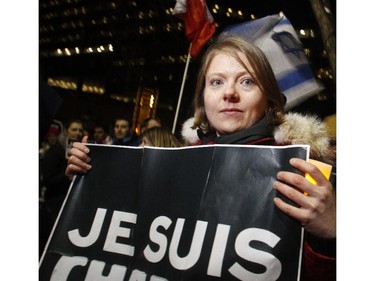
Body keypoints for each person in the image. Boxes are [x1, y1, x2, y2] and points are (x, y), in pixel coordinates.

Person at [65, 36, 335, 280]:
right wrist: (89, 184)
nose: (229, 93)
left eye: (247, 81)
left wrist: (332, 233)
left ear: (270, 100)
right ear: (203, 100)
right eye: (217, 82)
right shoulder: (172, 165)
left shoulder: (306, 173)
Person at [40, 118, 84, 257]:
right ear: (66, 131)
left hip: (72, 205)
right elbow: (47, 181)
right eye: (74, 129)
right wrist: (67, 172)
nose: (77, 133)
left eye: (80, 130)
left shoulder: (84, 154)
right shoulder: (55, 151)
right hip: (54, 205)